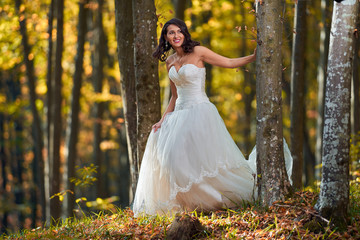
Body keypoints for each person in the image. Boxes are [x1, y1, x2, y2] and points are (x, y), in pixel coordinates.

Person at [132, 18, 292, 216]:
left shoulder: (199, 52)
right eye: (171, 33)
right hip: (179, 115)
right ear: (165, 37)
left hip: (200, 112)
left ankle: (217, 199)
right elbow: (174, 96)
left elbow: (228, 62)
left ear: (184, 33)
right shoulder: (170, 62)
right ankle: (191, 202)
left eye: (179, 31)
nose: (176, 35)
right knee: (174, 160)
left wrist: (252, 58)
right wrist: (163, 119)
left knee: (205, 161)